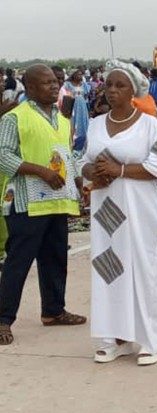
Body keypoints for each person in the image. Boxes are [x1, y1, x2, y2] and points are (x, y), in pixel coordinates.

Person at [82, 60, 157, 366]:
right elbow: (82, 162)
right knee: (110, 268)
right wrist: (93, 173)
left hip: (142, 211)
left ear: (133, 90)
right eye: (108, 85)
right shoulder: (96, 124)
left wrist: (119, 169)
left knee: (146, 268)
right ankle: (114, 338)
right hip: (106, 212)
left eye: (120, 85)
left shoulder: (148, 124)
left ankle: (150, 338)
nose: (112, 90)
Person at [0, 64, 87, 346]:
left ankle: (53, 310)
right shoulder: (15, 118)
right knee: (18, 263)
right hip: (27, 203)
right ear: (32, 88)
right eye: (47, 82)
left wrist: (76, 183)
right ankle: (3, 319)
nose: (54, 86)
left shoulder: (61, 119)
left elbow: (67, 155)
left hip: (56, 202)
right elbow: (3, 155)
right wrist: (40, 171)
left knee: (55, 259)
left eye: (55, 82)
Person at [61, 70, 91, 152]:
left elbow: (86, 95)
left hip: (82, 105)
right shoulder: (68, 85)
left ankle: (83, 138)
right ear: (73, 75)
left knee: (83, 120)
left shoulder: (84, 85)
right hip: (73, 105)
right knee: (74, 121)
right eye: (78, 74)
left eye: (81, 74)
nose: (80, 76)